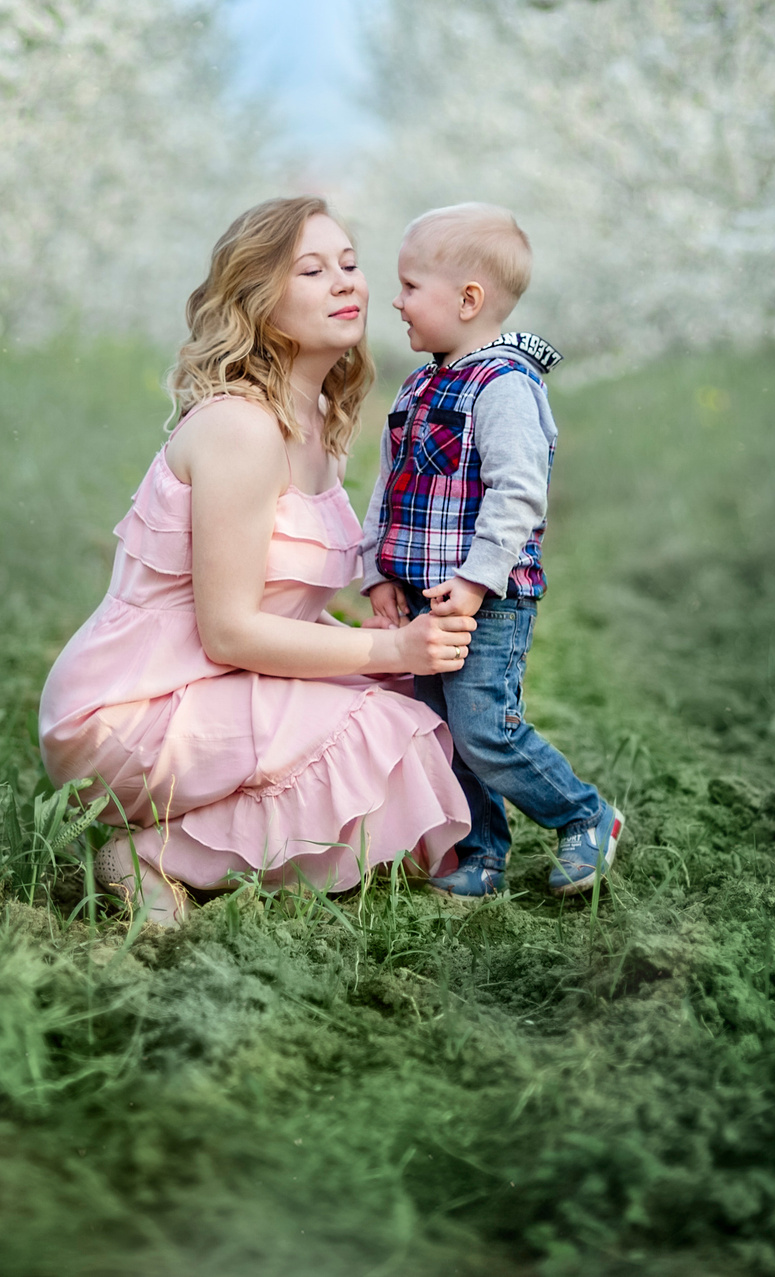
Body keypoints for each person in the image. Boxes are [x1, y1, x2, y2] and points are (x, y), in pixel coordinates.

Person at [40, 197, 477, 928]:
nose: (346, 283)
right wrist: (385, 647)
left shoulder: (317, 420)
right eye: (312, 270)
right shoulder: (241, 428)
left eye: (349, 263)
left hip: (214, 684)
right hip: (132, 707)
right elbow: (231, 631)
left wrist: (382, 647)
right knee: (385, 731)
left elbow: (275, 598)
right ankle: (152, 851)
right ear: (260, 304)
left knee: (418, 702)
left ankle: (212, 840)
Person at [362, 203, 625, 899]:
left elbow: (518, 494)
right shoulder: (418, 384)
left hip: (486, 599)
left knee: (485, 728)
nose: (397, 300)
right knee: (443, 732)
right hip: (423, 595)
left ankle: (584, 813)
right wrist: (377, 570)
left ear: (469, 299)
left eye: (412, 286)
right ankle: (482, 851)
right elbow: (388, 487)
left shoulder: (505, 385)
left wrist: (478, 581)